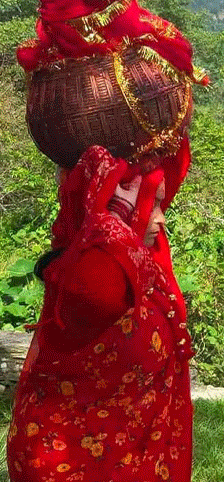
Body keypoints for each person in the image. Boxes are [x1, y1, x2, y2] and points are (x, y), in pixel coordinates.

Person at [6, 145, 194, 482]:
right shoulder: (95, 273)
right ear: (120, 209)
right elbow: (104, 275)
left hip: (127, 456)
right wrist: (111, 201)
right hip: (77, 464)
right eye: (152, 205)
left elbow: (173, 165)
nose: (161, 218)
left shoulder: (140, 259)